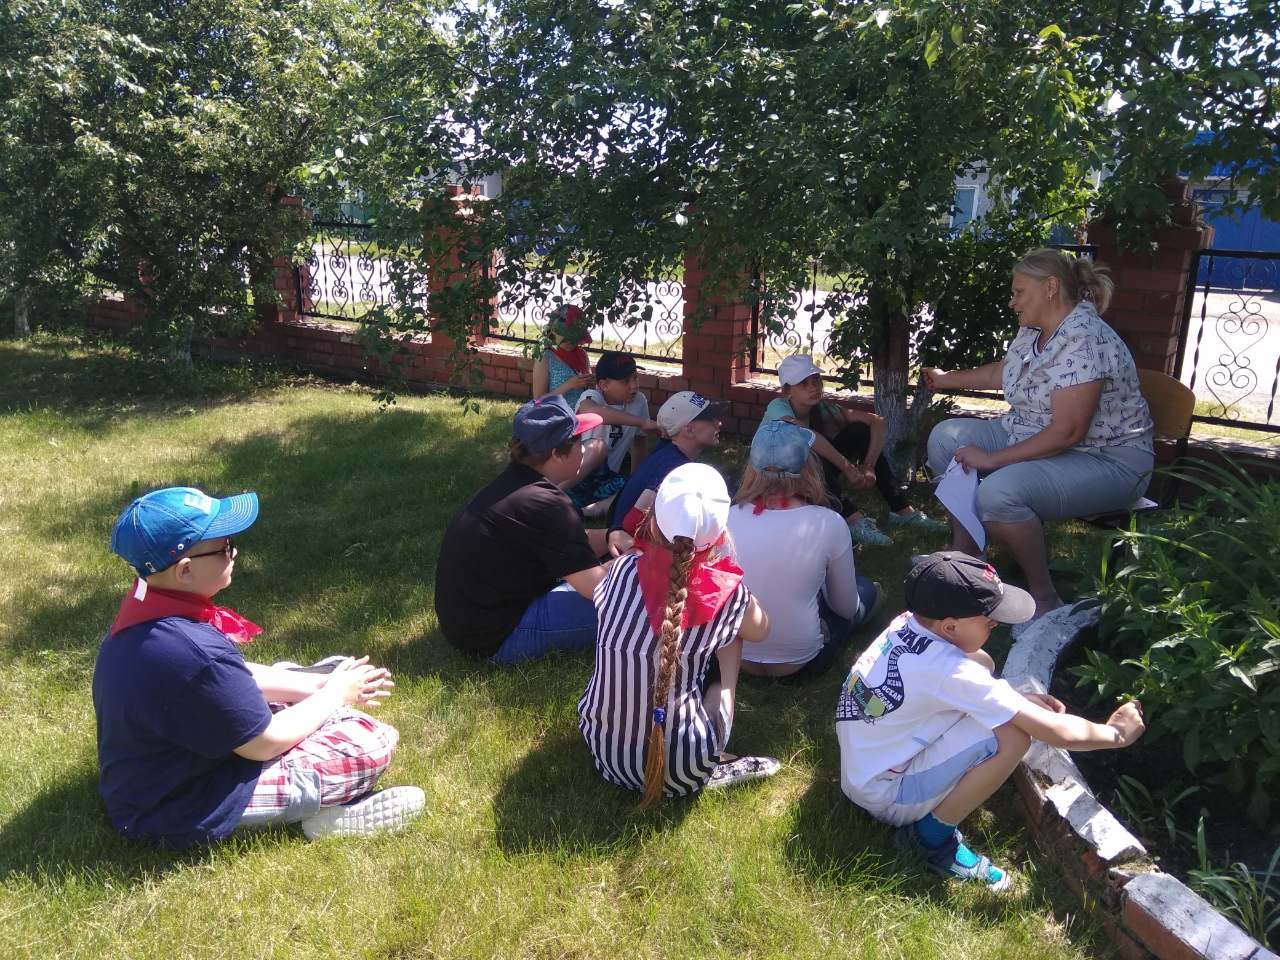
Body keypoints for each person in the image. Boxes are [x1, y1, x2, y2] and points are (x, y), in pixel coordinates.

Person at [93, 487, 424, 848]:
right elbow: (265, 743)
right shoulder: (192, 651)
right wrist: (334, 694)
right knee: (371, 741)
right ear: (185, 570)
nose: (234, 552)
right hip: (179, 809)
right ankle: (322, 818)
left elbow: (230, 676)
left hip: (156, 781)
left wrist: (315, 685)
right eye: (225, 547)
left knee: (291, 672)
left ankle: (317, 763)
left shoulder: (148, 610)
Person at [836, 552, 1146, 891]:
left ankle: (925, 822)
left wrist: (1011, 699)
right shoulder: (951, 672)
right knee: (1013, 737)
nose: (996, 623)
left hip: (863, 770)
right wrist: (1116, 733)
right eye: (988, 618)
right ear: (950, 627)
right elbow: (1056, 731)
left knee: (986, 671)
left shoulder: (907, 622)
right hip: (888, 794)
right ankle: (929, 840)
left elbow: (972, 672)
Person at [922, 248, 1155, 618]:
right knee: (945, 438)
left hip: (1107, 459)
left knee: (999, 493)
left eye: (1019, 292)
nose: (1012, 302)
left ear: (1050, 287)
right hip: (1031, 432)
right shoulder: (1035, 329)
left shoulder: (1085, 339)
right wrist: (946, 379)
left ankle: (1044, 600)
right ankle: (969, 557)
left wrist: (991, 459)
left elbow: (1068, 432)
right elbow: (1004, 371)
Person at [578, 463, 781, 805]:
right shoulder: (725, 593)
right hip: (686, 768)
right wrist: (734, 586)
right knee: (733, 637)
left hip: (605, 752)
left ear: (653, 521)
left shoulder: (622, 569)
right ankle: (717, 753)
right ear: (720, 534)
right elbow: (762, 630)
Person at [434, 394, 631, 665]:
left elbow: (567, 541)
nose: (585, 448)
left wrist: (610, 535)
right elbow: (597, 589)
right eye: (579, 441)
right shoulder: (546, 503)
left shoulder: (516, 485)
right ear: (556, 454)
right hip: (499, 635)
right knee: (633, 607)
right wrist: (630, 564)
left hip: (470, 624)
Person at [729, 421, 882, 680]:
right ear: (808, 466)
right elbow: (846, 608)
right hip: (803, 662)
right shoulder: (829, 522)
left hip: (736, 655)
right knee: (867, 589)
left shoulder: (728, 516)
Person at [762, 354, 946, 546]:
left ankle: (902, 510)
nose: (813, 386)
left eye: (816, 379)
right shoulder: (778, 407)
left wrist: (869, 466)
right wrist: (848, 468)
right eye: (803, 383)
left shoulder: (821, 408)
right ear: (787, 391)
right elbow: (810, 437)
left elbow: (877, 421)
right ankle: (854, 521)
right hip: (777, 477)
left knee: (860, 430)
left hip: (810, 473)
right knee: (810, 454)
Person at [607, 389, 727, 536]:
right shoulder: (674, 469)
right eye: (711, 419)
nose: (719, 423)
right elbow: (632, 524)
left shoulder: (666, 450)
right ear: (689, 430)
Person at [569, 351, 660, 513]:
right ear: (604, 385)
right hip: (574, 474)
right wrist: (642, 422)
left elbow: (639, 443)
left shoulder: (639, 401)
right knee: (598, 447)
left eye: (635, 377)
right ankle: (552, 492)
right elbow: (593, 412)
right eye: (626, 381)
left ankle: (587, 512)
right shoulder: (592, 396)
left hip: (607, 481)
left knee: (637, 491)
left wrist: (635, 479)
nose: (634, 385)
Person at [531, 304, 594, 410]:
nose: (569, 341)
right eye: (565, 336)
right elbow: (538, 401)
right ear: (553, 332)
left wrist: (591, 383)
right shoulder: (545, 358)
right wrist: (569, 385)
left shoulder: (582, 354)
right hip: (557, 415)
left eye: (573, 337)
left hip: (583, 412)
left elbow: (589, 391)